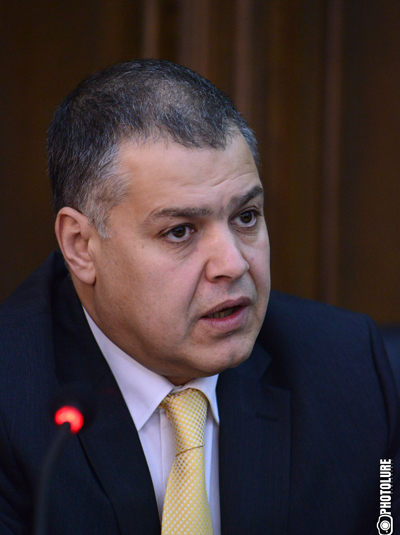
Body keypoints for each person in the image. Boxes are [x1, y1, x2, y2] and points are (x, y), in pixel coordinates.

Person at [0, 59, 398, 535]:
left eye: (246, 217)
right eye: (180, 231)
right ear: (81, 246)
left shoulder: (346, 367)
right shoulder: (12, 395)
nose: (233, 263)